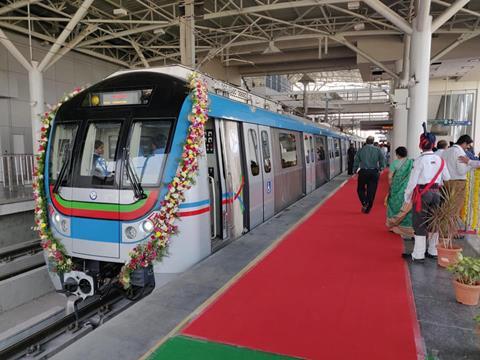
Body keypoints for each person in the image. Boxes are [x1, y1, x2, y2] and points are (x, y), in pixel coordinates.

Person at [403, 123, 450, 262]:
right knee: (434, 221)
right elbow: (447, 177)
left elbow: (412, 182)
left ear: (420, 145)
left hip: (422, 194)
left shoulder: (419, 161)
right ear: (433, 144)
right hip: (437, 193)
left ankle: (418, 254)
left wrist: (407, 196)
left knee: (419, 222)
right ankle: (433, 251)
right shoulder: (440, 160)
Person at [441, 134, 473, 217]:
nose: (468, 147)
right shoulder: (459, 152)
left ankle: (441, 228)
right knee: (454, 209)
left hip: (446, 182)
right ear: (464, 143)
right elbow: (461, 171)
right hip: (458, 183)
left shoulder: (447, 150)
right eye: (468, 145)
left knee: (445, 207)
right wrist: (470, 165)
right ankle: (449, 229)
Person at [386, 147, 414, 238]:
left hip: (396, 188)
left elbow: (390, 177)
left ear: (397, 154)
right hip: (408, 189)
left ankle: (394, 227)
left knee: (394, 206)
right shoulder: (411, 162)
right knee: (405, 207)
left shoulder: (394, 163)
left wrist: (391, 187)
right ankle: (407, 228)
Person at [353, 136, 385, 214]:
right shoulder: (378, 150)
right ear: (373, 142)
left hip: (363, 172)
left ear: (366, 141)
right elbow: (382, 159)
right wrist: (381, 168)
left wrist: (355, 171)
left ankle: (364, 202)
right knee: (372, 190)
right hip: (374, 172)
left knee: (360, 189)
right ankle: (368, 207)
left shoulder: (361, 150)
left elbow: (356, 161)